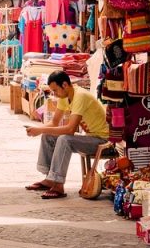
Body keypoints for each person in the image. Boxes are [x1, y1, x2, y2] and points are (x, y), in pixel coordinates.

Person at [25, 71, 108, 199]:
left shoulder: (80, 96)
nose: (54, 94)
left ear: (64, 85)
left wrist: (40, 130)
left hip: (103, 141)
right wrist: (38, 129)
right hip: (91, 137)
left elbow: (70, 130)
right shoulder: (65, 97)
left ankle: (58, 184)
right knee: (48, 136)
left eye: (55, 90)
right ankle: (50, 179)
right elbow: (54, 122)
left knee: (65, 139)